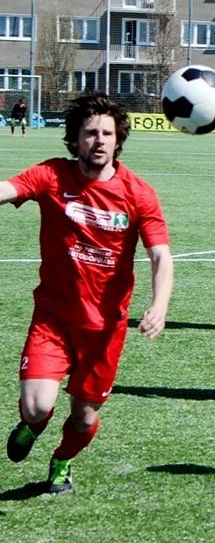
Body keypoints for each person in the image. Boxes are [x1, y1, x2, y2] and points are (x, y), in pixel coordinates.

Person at [1, 92, 173, 494]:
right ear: (75, 139)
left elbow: (161, 256)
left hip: (103, 329)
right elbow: (7, 188)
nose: (99, 140)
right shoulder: (52, 176)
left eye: (107, 133)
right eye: (90, 132)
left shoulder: (139, 194)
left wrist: (159, 305)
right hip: (54, 318)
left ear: (118, 140)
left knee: (83, 418)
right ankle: (33, 425)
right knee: (36, 405)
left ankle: (62, 460)